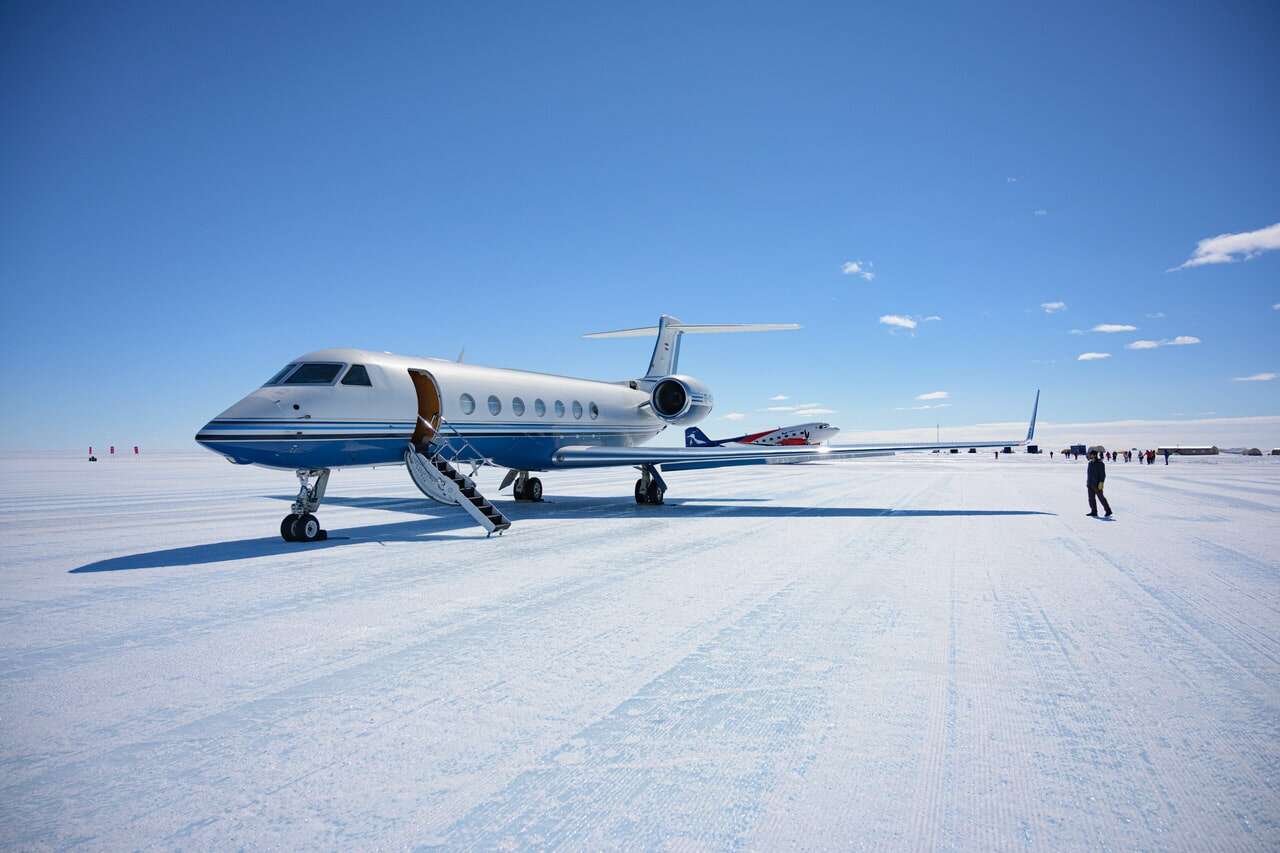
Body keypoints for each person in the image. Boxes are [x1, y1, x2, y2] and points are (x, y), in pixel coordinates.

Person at [1086, 450, 1113, 517]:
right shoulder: (1090, 463)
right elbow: (1089, 474)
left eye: (1091, 454)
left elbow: (1102, 474)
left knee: (1101, 498)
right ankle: (1094, 511)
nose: (1089, 456)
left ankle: (1108, 511)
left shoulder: (1100, 463)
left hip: (1097, 484)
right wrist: (1088, 482)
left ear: (1094, 455)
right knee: (1091, 499)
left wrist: (1101, 483)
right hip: (1090, 484)